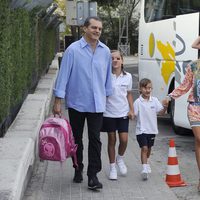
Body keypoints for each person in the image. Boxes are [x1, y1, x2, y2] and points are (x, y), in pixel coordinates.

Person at [52, 16, 113, 190]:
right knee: (76, 139)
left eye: (100, 29)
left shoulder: (105, 51)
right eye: (94, 28)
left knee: (95, 139)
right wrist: (58, 101)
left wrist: (108, 97)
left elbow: (108, 77)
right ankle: (78, 168)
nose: (97, 31)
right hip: (77, 103)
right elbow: (63, 76)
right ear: (85, 28)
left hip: (97, 104)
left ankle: (93, 175)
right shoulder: (73, 50)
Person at [165, 36, 200, 191]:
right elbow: (185, 86)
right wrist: (170, 96)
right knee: (199, 139)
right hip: (195, 107)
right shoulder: (193, 66)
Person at [101, 50, 134, 180]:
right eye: (112, 58)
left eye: (118, 58)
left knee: (124, 140)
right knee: (112, 140)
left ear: (122, 61)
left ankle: (120, 158)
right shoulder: (105, 76)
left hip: (123, 113)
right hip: (108, 113)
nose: (115, 60)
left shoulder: (128, 77)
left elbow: (129, 94)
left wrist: (131, 110)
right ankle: (112, 167)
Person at [133, 78, 168, 180]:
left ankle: (146, 162)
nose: (148, 90)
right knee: (144, 148)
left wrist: (165, 107)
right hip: (141, 130)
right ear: (140, 89)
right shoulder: (137, 102)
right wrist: (130, 114)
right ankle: (144, 169)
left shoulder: (155, 100)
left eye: (149, 88)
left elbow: (161, 113)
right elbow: (133, 115)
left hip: (152, 130)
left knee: (148, 149)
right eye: (145, 88)